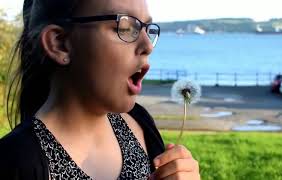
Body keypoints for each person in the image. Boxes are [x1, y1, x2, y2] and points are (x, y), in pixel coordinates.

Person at [0, 0, 200, 179]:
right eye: (124, 27)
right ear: (59, 43)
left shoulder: (140, 123)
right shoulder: (15, 162)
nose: (148, 45)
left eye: (147, 29)